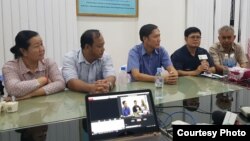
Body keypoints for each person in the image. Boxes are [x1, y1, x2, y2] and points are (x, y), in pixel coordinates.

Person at [2, 30, 65, 100]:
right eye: (36, 46)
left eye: (41, 44)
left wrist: (31, 94)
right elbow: (13, 89)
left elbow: (61, 84)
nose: (42, 49)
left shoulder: (48, 62)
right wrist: (43, 80)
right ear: (23, 51)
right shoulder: (10, 67)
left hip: (45, 107)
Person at [62, 29, 116, 94]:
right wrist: (91, 88)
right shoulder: (70, 58)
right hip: (76, 98)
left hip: (99, 97)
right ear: (87, 47)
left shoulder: (106, 57)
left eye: (103, 45)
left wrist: (108, 85)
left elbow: (111, 76)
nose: (103, 49)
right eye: (99, 46)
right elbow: (71, 82)